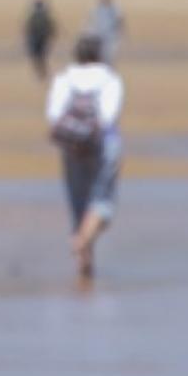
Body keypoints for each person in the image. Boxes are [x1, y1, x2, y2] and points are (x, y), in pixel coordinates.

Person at [46, 35, 125, 282]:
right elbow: (109, 117)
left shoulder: (64, 78)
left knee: (78, 206)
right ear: (99, 54)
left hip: (71, 148)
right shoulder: (110, 79)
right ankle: (81, 243)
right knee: (101, 204)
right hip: (104, 147)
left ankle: (84, 269)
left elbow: (53, 115)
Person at [82, 0, 125, 65]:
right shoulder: (97, 8)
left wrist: (120, 33)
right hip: (98, 36)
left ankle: (108, 69)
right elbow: (90, 21)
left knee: (109, 56)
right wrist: (86, 32)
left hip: (111, 37)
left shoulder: (115, 8)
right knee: (99, 56)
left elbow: (120, 21)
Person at [24, 0, 57, 81]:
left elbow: (28, 28)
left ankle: (42, 73)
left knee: (38, 57)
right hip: (40, 38)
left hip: (39, 39)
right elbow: (51, 27)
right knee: (40, 57)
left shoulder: (35, 15)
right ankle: (42, 73)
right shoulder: (43, 15)